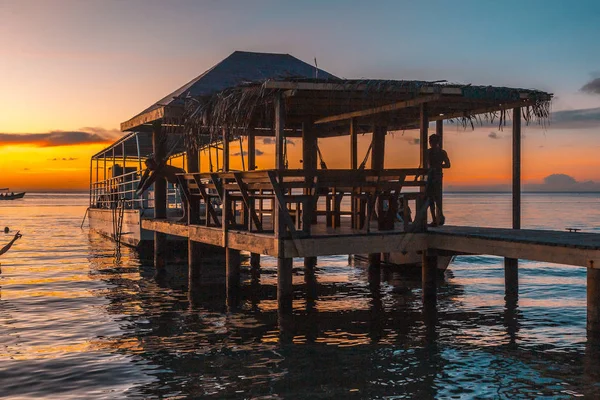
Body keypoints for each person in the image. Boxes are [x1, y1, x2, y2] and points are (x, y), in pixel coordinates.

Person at [136, 157, 189, 221]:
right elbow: (148, 179)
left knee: (184, 198)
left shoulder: (159, 169)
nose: (148, 168)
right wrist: (141, 188)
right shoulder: (158, 169)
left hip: (181, 178)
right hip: (179, 179)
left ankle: (186, 215)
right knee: (183, 198)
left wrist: (142, 190)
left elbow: (149, 180)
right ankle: (186, 215)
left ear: (152, 163)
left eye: (148, 165)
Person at [426, 134, 450, 226]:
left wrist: (436, 166)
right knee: (434, 198)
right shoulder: (442, 152)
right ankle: (437, 218)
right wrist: (439, 166)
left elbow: (448, 165)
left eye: (431, 141)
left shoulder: (430, 152)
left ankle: (437, 218)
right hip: (436, 175)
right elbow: (447, 165)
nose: (431, 143)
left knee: (432, 197)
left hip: (434, 176)